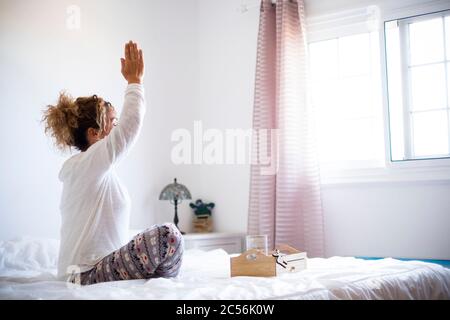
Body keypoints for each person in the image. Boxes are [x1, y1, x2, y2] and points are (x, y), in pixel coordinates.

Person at [42, 41, 183, 285]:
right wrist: (134, 82)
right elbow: (130, 127)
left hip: (95, 268)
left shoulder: (92, 169)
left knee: (166, 239)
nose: (117, 128)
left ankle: (157, 286)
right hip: (84, 273)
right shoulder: (85, 164)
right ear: (94, 133)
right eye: (112, 122)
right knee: (167, 236)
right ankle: (159, 285)